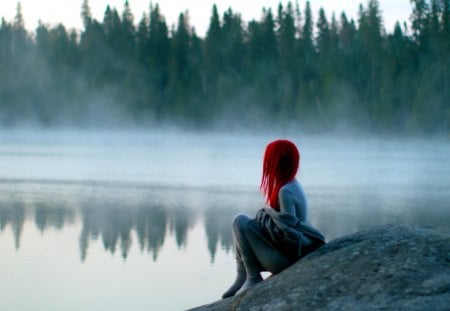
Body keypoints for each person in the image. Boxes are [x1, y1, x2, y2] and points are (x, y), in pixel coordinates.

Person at [222, 139, 325, 298]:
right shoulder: (292, 185)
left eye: (269, 162)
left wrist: (267, 216)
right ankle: (242, 274)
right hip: (285, 256)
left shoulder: (285, 191)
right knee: (241, 221)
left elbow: (289, 236)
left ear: (277, 164)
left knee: (241, 221)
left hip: (286, 260)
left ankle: (252, 277)